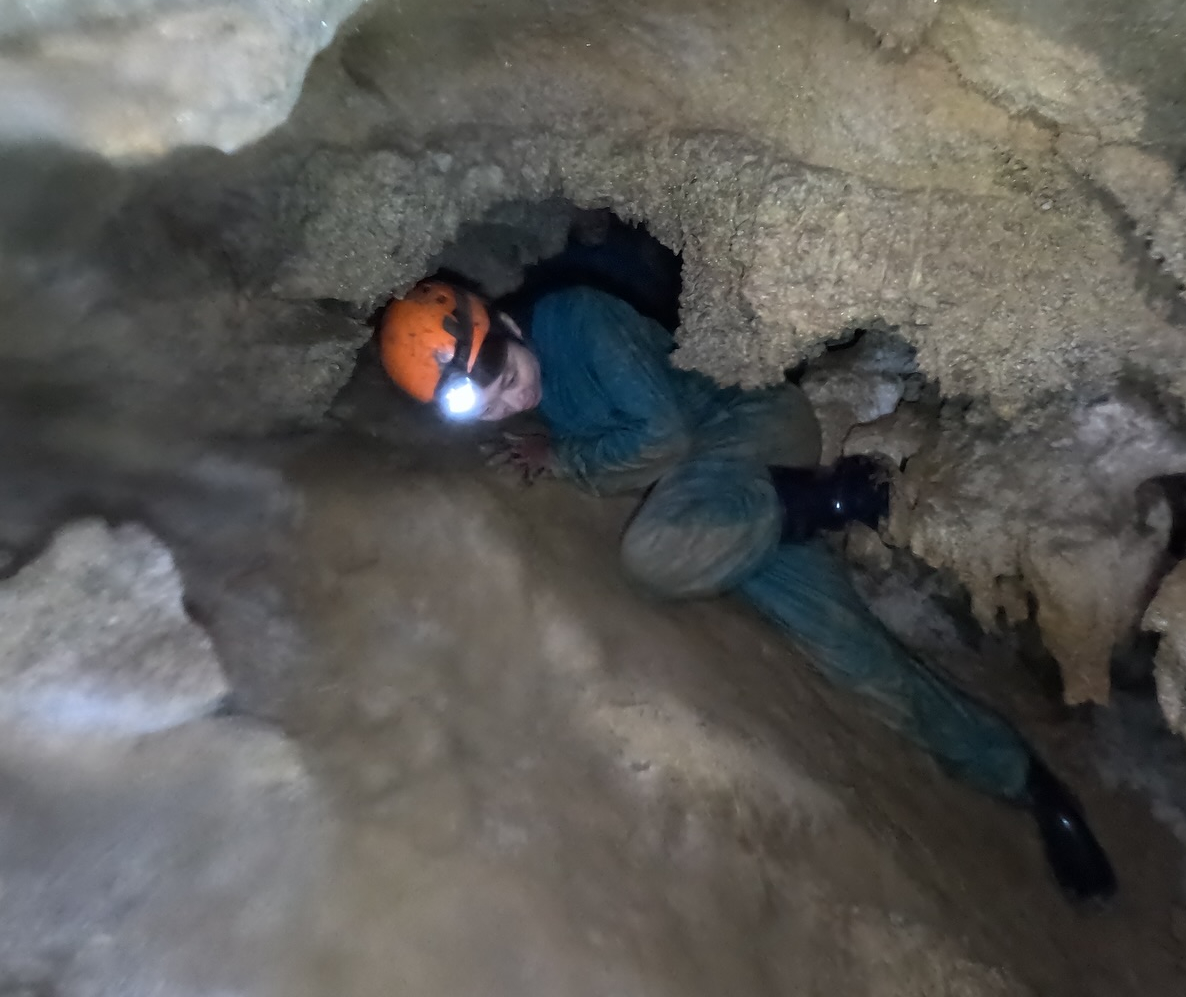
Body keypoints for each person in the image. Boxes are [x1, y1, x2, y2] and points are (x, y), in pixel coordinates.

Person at [377, 277, 1117, 902]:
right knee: (858, 659)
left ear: (507, 324)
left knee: (655, 554)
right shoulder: (533, 379)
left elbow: (663, 439)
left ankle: (827, 501)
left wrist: (567, 459)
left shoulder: (574, 317)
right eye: (494, 403)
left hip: (751, 430)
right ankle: (1031, 785)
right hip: (729, 504)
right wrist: (551, 440)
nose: (513, 400)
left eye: (508, 379)